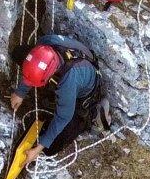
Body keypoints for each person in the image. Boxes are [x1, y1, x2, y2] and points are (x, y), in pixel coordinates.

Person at [9, 34, 106, 166]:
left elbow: (63, 117)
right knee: (18, 53)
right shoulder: (46, 43)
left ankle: (95, 114)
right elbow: (35, 65)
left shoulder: (68, 83)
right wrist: (21, 92)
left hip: (84, 92)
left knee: (51, 147)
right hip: (77, 63)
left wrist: (37, 149)